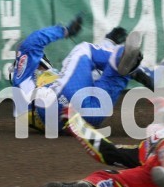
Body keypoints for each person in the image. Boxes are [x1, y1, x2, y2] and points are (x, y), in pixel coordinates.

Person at [8, 15, 151, 134]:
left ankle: (126, 66)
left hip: (89, 116)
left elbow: (87, 74)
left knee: (111, 71)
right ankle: (131, 68)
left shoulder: (31, 88)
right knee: (84, 49)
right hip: (61, 104)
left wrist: (108, 43)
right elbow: (33, 42)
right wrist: (65, 30)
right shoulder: (25, 76)